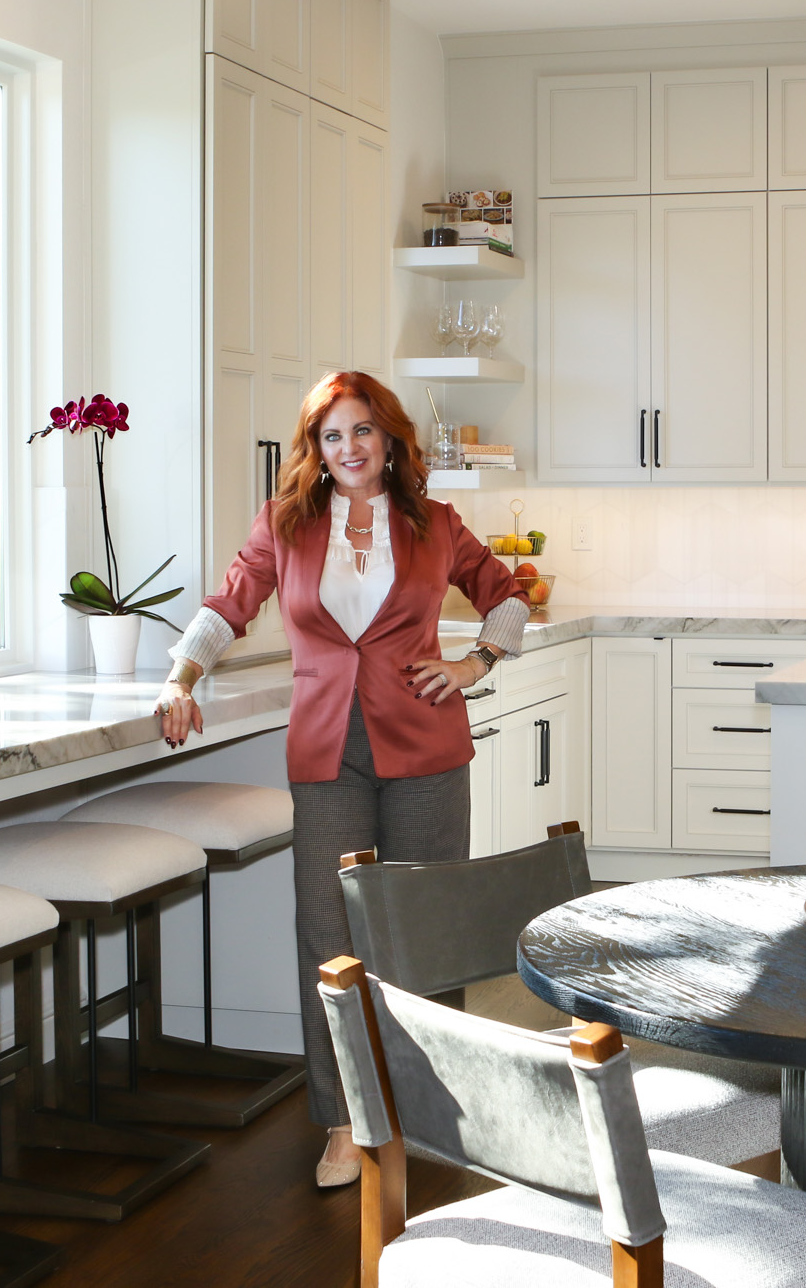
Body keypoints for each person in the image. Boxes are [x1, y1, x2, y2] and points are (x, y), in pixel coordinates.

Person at [154, 371, 527, 1187]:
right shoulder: (286, 523)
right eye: (332, 435)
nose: (349, 447)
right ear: (315, 449)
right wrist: (180, 677)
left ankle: (433, 1111)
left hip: (426, 747)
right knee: (329, 937)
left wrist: (474, 663)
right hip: (327, 753)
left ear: (389, 439)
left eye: (362, 430)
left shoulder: (435, 522)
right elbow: (228, 603)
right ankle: (343, 1119)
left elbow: (508, 597)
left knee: (426, 930)